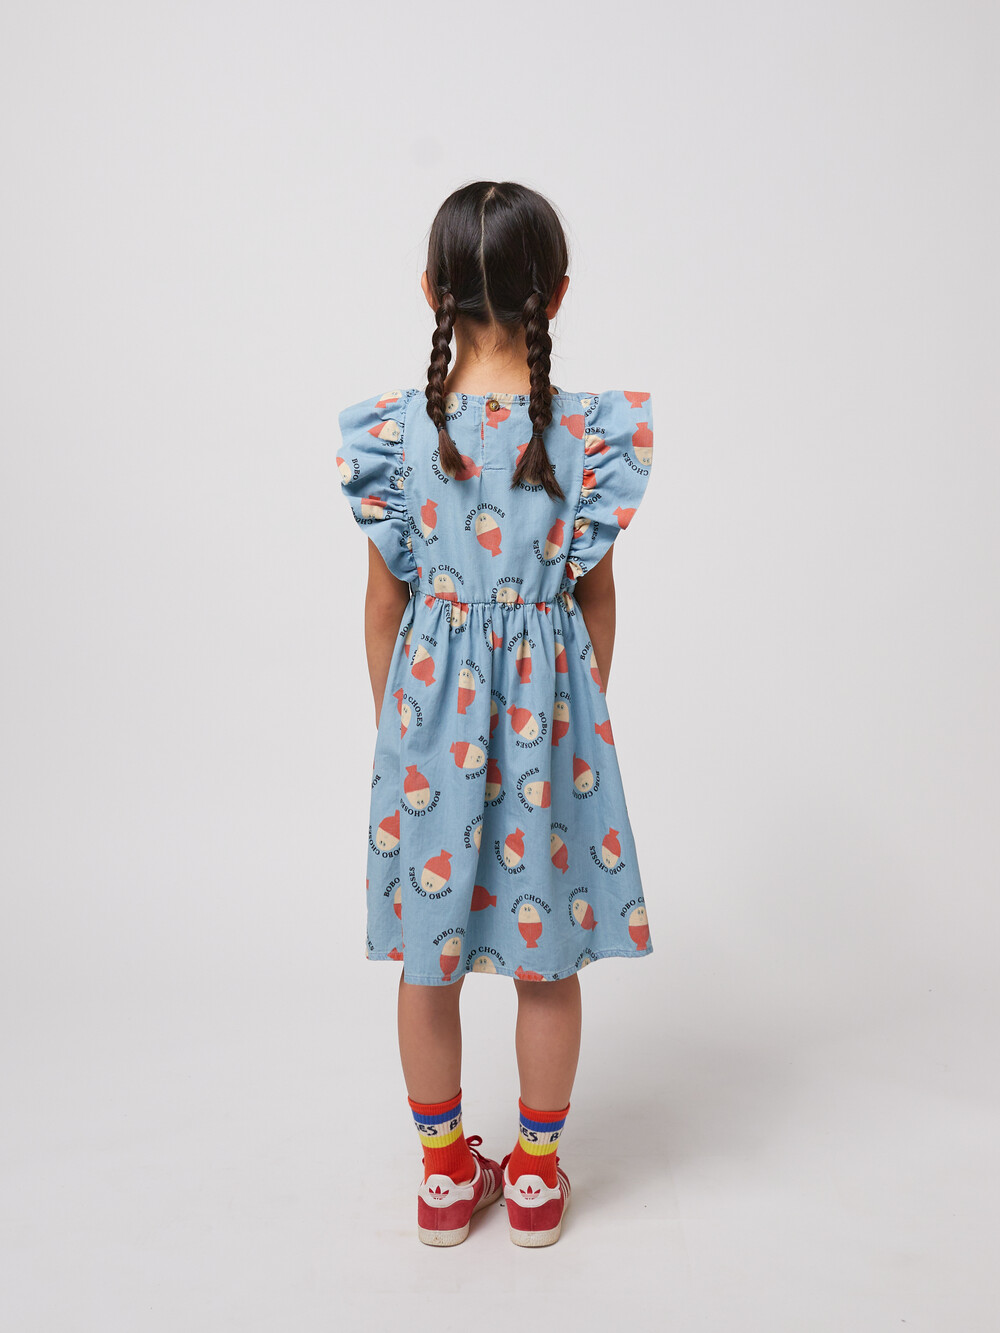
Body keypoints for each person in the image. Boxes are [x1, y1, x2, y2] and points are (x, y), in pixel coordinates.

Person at [337, 181, 655, 1248]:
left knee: (428, 963)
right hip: (549, 736)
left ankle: (442, 1175)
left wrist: (401, 729)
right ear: (554, 295)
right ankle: (534, 1177)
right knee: (544, 958)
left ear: (428, 289)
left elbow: (383, 609)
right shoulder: (586, 437)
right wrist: (575, 710)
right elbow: (596, 604)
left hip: (427, 728)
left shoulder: (398, 435)